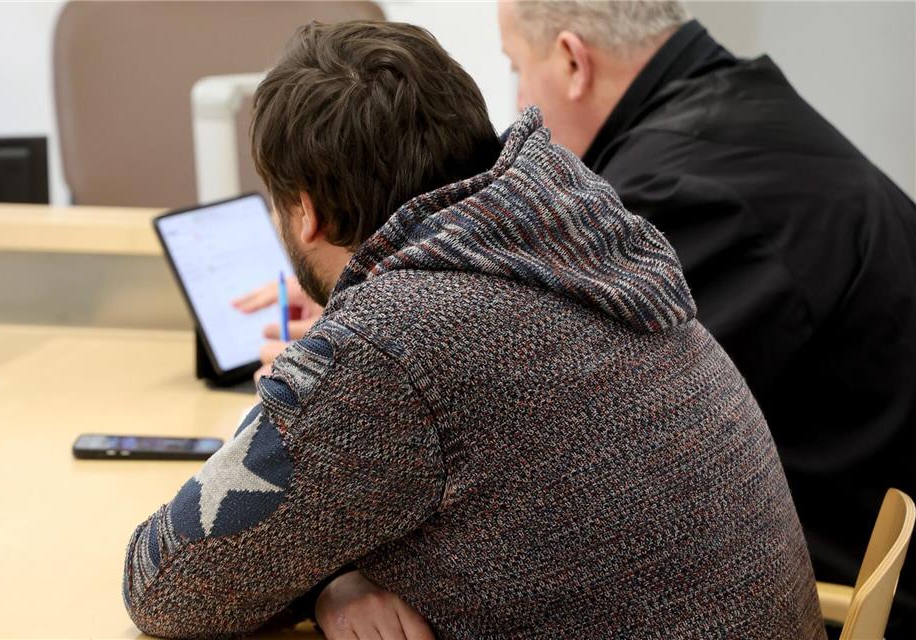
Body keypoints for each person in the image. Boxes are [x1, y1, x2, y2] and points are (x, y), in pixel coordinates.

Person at [123, 20, 825, 639]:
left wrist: (315, 565)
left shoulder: (393, 341)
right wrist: (335, 580)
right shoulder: (580, 237)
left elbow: (169, 585)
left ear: (304, 213)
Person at [495, 1, 916, 636]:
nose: (518, 102)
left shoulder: (670, 192)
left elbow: (547, 445)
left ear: (573, 61)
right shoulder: (738, 123)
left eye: (516, 68)